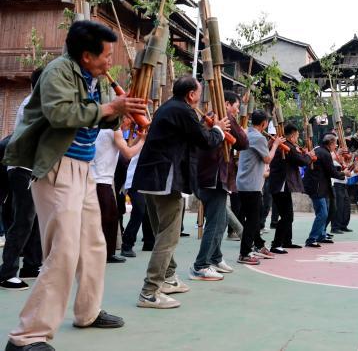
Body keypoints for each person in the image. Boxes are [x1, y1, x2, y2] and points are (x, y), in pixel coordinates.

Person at [3, 21, 148, 349]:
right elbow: (61, 114)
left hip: (83, 169)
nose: (110, 61)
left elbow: (96, 117)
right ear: (86, 56)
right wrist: (111, 107)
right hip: (58, 167)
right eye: (106, 55)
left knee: (94, 244)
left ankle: (88, 311)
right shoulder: (58, 72)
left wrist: (120, 112)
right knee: (63, 251)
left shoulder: (91, 78)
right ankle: (27, 336)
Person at [133, 76, 229, 309]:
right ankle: (149, 292)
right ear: (191, 95)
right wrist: (218, 129)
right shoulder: (183, 110)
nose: (200, 98)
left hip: (151, 176)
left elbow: (193, 136)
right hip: (164, 177)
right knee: (169, 236)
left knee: (163, 231)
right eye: (199, 93)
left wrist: (208, 128)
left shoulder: (169, 107)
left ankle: (168, 278)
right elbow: (205, 141)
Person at [190, 91, 249, 279]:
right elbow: (243, 142)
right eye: (236, 107)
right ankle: (201, 265)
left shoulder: (210, 119)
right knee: (215, 223)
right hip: (213, 178)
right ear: (226, 104)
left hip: (208, 177)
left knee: (221, 220)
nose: (237, 111)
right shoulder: (221, 119)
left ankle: (215, 257)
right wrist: (237, 128)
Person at [0, 68, 44, 291]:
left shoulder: (38, 101)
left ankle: (31, 265)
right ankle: (7, 273)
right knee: (23, 221)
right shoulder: (33, 103)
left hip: (31, 169)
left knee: (33, 220)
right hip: (22, 168)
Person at [91, 120, 144, 264]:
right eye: (129, 119)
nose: (130, 123)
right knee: (107, 218)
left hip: (103, 179)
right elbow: (128, 154)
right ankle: (104, 254)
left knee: (111, 218)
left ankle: (108, 253)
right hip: (100, 180)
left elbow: (127, 148)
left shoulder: (109, 128)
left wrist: (138, 138)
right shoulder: (114, 129)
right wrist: (143, 140)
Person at [235, 110, 283, 265]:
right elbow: (267, 158)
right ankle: (244, 253)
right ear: (264, 124)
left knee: (254, 216)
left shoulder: (247, 134)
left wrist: (270, 144)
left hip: (244, 183)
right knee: (252, 220)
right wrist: (275, 145)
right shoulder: (258, 137)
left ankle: (259, 245)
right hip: (251, 185)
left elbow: (258, 152)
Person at [269, 123, 313, 254]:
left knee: (288, 215)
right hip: (281, 184)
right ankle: (276, 244)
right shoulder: (287, 147)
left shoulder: (287, 146)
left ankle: (286, 241)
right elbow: (302, 161)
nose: (297, 139)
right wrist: (309, 155)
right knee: (286, 216)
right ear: (292, 136)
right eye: (297, 136)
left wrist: (304, 153)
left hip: (282, 184)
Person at [303, 133, 349, 247]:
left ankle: (321, 235)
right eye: (335, 144)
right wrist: (344, 173)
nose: (336, 146)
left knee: (327, 211)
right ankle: (312, 238)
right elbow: (332, 172)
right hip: (317, 187)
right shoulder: (324, 153)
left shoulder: (319, 150)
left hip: (321, 186)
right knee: (323, 213)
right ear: (331, 143)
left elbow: (328, 168)